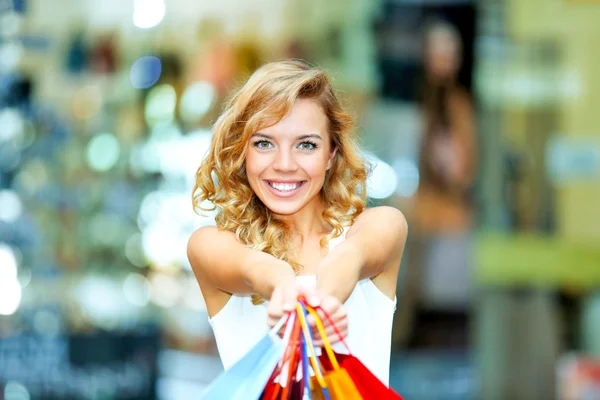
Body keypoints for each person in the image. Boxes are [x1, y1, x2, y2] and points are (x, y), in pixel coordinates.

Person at [187, 59, 407, 385]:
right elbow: (254, 267)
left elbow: (352, 258)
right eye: (264, 143)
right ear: (241, 151)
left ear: (332, 153)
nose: (285, 165)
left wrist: (324, 300)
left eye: (306, 145)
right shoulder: (211, 245)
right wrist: (282, 287)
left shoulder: (382, 225)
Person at [393, 22, 477, 348]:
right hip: (416, 215)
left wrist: (455, 167)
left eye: (448, 54)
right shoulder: (414, 101)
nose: (442, 62)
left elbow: (466, 166)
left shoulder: (457, 105)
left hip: (446, 220)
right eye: (436, 54)